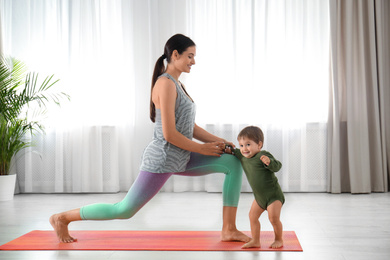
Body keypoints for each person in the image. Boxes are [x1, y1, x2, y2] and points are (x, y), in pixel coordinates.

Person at [50, 34, 250, 244]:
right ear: (175, 54)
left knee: (232, 163)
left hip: (181, 155)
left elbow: (189, 127)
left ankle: (229, 229)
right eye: (190, 56)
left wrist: (220, 141)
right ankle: (62, 218)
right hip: (163, 158)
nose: (194, 61)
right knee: (125, 210)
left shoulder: (178, 85)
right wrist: (203, 149)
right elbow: (169, 134)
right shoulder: (165, 84)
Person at [226, 126, 285, 249]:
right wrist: (228, 149)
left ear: (259, 145)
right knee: (252, 217)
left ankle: (279, 239)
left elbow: (278, 166)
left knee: (273, 218)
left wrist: (269, 162)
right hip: (259, 198)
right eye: (241, 145)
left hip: (273, 196)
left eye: (248, 144)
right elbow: (234, 151)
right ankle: (256, 240)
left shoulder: (263, 155)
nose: (244, 149)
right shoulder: (243, 156)